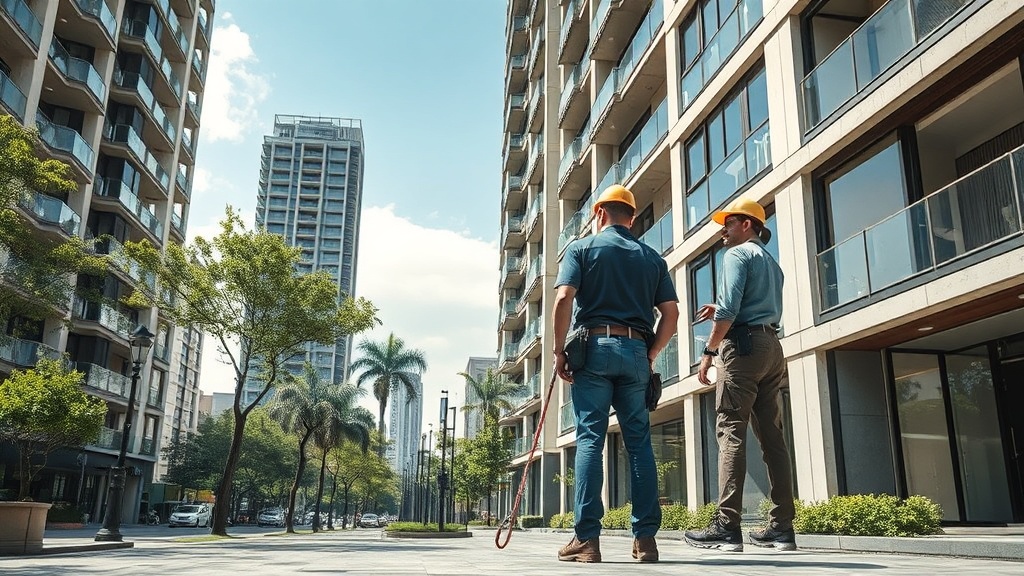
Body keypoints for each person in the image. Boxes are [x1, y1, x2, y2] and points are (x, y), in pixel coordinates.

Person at [552, 185, 679, 563]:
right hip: (637, 351)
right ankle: (645, 541)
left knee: (591, 437)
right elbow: (670, 313)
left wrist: (560, 352)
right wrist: (651, 352)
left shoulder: (582, 249)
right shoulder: (652, 258)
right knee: (639, 443)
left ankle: (587, 540)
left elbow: (563, 299)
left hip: (593, 349)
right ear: (633, 218)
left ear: (598, 213)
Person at [683, 197, 796, 552]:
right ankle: (782, 529)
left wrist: (708, 352)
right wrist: (725, 310)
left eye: (728, 224)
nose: (722, 231)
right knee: (772, 439)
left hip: (742, 350)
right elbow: (755, 306)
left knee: (731, 431)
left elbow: (730, 310)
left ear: (747, 224)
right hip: (771, 347)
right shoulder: (771, 262)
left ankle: (726, 527)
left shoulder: (736, 254)